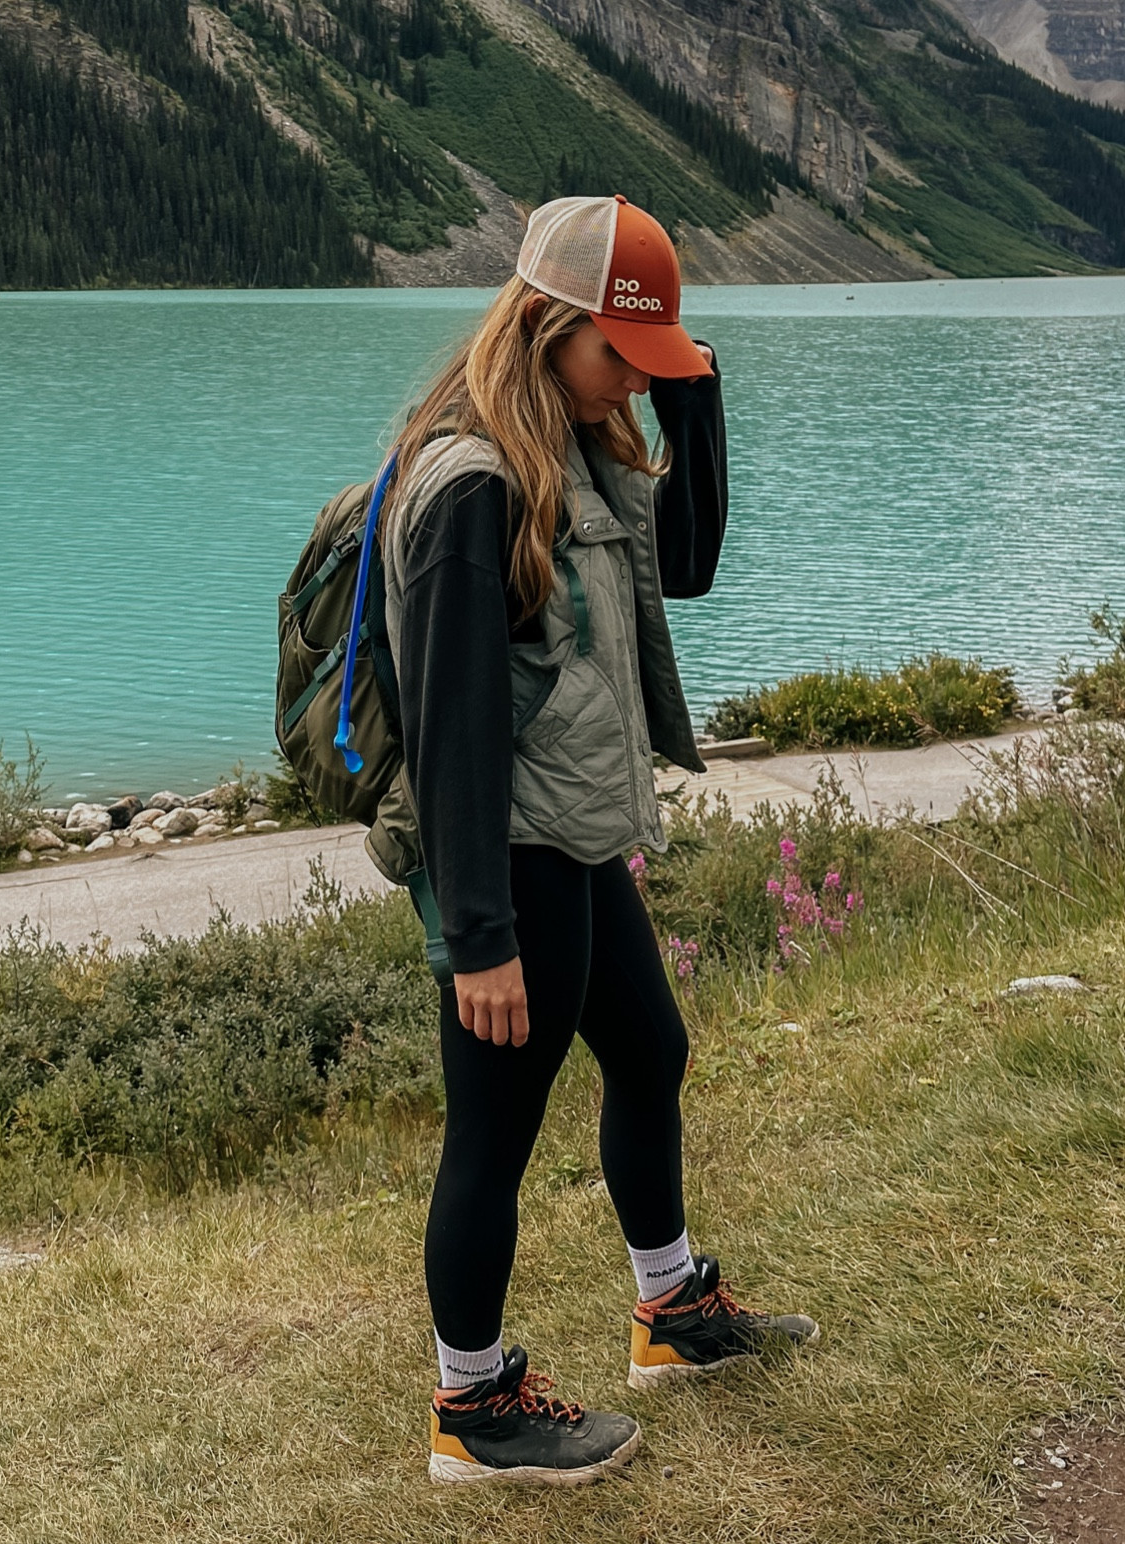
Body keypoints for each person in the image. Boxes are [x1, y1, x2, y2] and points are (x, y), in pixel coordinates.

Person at [380, 194, 818, 1489]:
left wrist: (694, 399)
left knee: (650, 1050)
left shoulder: (579, 443)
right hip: (507, 860)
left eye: (648, 358)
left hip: (573, 836)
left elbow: (680, 566)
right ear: (551, 324)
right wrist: (480, 941)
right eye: (620, 352)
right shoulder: (471, 485)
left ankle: (672, 1314)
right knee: (493, 1135)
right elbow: (452, 728)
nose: (633, 373)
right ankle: (473, 1410)